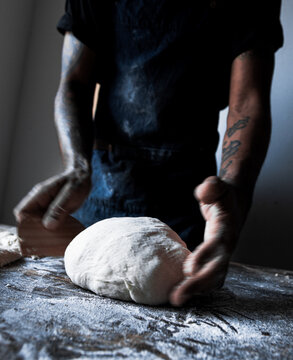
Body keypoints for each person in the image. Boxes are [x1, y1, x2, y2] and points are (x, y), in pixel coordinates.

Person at [14, 0, 283, 306]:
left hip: (192, 197)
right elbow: (74, 83)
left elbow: (247, 102)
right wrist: (77, 164)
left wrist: (234, 194)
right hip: (101, 187)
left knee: (180, 304)